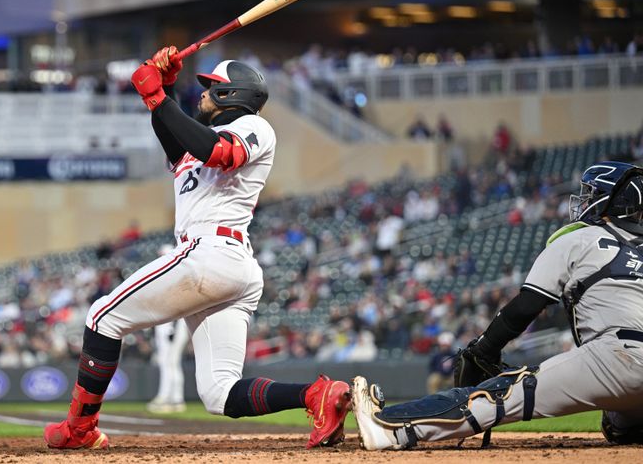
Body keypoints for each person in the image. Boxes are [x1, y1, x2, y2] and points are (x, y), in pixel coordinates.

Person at [43, 47, 351, 450]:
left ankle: (79, 429)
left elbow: (218, 151)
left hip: (211, 253)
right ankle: (316, 396)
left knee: (102, 317)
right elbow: (179, 137)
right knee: (219, 394)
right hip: (222, 264)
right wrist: (164, 86)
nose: (202, 94)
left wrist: (158, 97)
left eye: (210, 88)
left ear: (230, 96)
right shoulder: (197, 144)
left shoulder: (254, 127)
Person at [351, 161, 643, 450]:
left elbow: (527, 306)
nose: (584, 200)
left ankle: (390, 428)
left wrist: (484, 349)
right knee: (618, 425)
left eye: (591, 194)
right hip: (628, 371)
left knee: (499, 395)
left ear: (608, 202)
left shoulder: (580, 238)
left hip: (618, 357)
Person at [147, 319, 189, 413]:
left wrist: (173, 327)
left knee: (168, 363)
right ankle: (176, 399)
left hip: (171, 325)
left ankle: (166, 398)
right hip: (173, 324)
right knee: (172, 363)